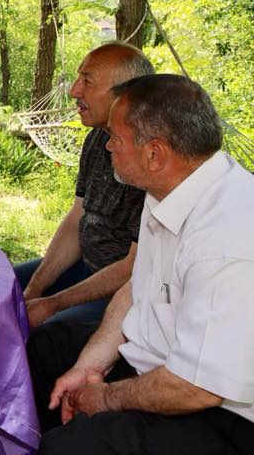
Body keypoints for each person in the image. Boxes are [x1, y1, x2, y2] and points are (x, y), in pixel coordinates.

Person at [30, 74, 254, 453]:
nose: (108, 148)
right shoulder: (170, 188)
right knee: (43, 348)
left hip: (220, 413)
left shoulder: (228, 238)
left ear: (155, 154)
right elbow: (139, 287)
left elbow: (195, 387)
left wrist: (102, 399)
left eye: (115, 139)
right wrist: (91, 366)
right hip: (161, 365)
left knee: (72, 448)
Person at [15, 43, 154, 329]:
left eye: (87, 82)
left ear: (124, 93)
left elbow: (134, 267)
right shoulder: (96, 138)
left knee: (47, 335)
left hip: (124, 292)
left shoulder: (151, 158)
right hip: (84, 268)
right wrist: (34, 290)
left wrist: (52, 303)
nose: (74, 91)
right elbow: (77, 220)